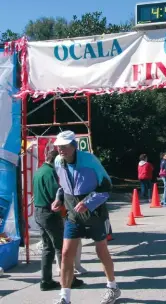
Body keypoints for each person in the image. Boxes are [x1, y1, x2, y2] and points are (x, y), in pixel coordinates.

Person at [51, 130, 121, 304]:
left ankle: (113, 287)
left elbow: (106, 187)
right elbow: (62, 185)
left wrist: (88, 202)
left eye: (65, 146)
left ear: (74, 146)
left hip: (95, 213)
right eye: (59, 146)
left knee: (101, 250)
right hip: (73, 214)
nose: (61, 150)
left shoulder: (90, 160)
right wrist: (59, 199)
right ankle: (64, 297)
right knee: (66, 252)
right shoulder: (58, 162)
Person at [33, 150, 83, 291]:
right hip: (50, 213)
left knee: (47, 248)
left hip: (39, 211)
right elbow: (57, 195)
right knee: (62, 248)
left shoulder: (39, 171)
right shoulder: (50, 173)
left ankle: (46, 280)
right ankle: (69, 280)